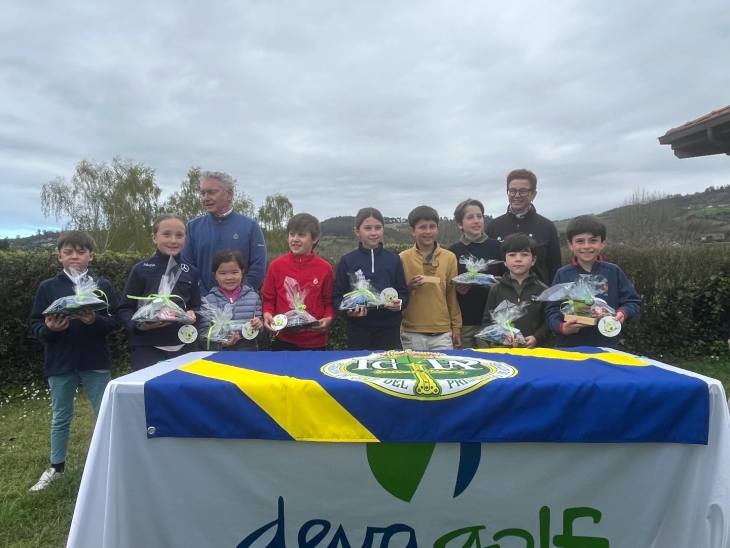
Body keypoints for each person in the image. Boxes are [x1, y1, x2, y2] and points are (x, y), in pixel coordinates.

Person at [29, 231, 120, 491]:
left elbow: (115, 321)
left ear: (91, 256)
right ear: (59, 256)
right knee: (61, 416)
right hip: (60, 362)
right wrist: (50, 330)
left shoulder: (102, 286)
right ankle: (56, 467)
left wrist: (95, 321)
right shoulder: (48, 287)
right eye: (68, 252)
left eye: (80, 252)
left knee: (104, 413)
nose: (74, 257)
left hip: (95, 360)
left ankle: (110, 463)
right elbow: (35, 323)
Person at [117, 214, 200, 370]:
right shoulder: (140, 270)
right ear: (154, 237)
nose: (173, 240)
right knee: (149, 386)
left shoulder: (191, 271)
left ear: (186, 239)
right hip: (146, 346)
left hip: (183, 344)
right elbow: (124, 308)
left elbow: (196, 306)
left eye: (179, 235)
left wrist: (192, 314)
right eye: (166, 234)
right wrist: (139, 325)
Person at [545, 215, 641, 348]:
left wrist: (623, 313)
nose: (586, 246)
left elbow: (633, 302)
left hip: (605, 345)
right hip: (569, 346)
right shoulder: (562, 274)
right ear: (570, 245)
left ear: (603, 243)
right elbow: (552, 309)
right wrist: (561, 327)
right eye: (580, 241)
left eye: (593, 240)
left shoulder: (613, 272)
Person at [333, 207, 409, 350]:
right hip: (358, 329)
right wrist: (347, 312)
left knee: (386, 364)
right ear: (357, 231)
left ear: (383, 229)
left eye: (378, 228)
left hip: (389, 329)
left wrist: (400, 304)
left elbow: (403, 292)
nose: (373, 233)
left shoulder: (394, 259)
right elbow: (337, 296)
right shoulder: (347, 261)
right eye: (367, 228)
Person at [181, 171, 267, 293]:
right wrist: (205, 298)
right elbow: (186, 266)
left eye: (212, 192)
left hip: (243, 302)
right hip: (201, 302)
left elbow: (258, 267)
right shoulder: (192, 227)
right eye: (203, 193)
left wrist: (239, 296)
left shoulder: (251, 226)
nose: (205, 198)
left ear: (229, 194)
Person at [262, 213, 334, 350]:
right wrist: (268, 314)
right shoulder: (276, 266)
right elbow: (269, 300)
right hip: (283, 339)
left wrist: (328, 318)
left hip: (316, 341)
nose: (295, 239)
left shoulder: (325, 268)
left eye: (301, 235)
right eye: (291, 234)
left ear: (315, 238)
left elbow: (329, 302)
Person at [399, 205, 461, 350]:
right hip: (411, 331)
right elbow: (397, 294)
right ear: (412, 231)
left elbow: (452, 295)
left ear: (438, 229)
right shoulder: (402, 258)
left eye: (432, 227)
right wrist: (409, 287)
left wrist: (456, 328)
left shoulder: (449, 258)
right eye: (422, 227)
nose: (428, 231)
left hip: (443, 332)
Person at [486, 169, 562, 285]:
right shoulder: (494, 226)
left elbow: (555, 269)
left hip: (539, 295)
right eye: (512, 191)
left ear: (533, 194)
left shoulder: (547, 227)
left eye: (523, 191)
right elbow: (486, 265)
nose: (517, 195)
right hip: (501, 294)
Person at [448, 198, 503, 348]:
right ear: (460, 224)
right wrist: (458, 288)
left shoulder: (497, 247)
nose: (476, 221)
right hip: (464, 321)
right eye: (470, 217)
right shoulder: (453, 251)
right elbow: (448, 284)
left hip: (492, 321)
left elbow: (507, 278)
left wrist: (497, 282)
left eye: (479, 216)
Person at [481, 233, 550, 348]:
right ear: (504, 261)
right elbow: (487, 321)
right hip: (503, 350)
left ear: (533, 260)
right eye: (512, 255)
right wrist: (492, 340)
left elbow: (547, 322)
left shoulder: (543, 290)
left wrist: (536, 338)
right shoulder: (496, 289)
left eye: (524, 254)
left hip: (532, 350)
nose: (518, 259)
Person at [198, 249, 263, 351]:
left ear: (242, 273)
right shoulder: (208, 302)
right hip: (220, 357)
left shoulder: (253, 298)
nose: (229, 277)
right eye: (223, 273)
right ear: (215, 275)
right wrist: (223, 345)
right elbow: (203, 337)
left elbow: (262, 334)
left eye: (234, 272)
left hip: (249, 355)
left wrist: (259, 325)